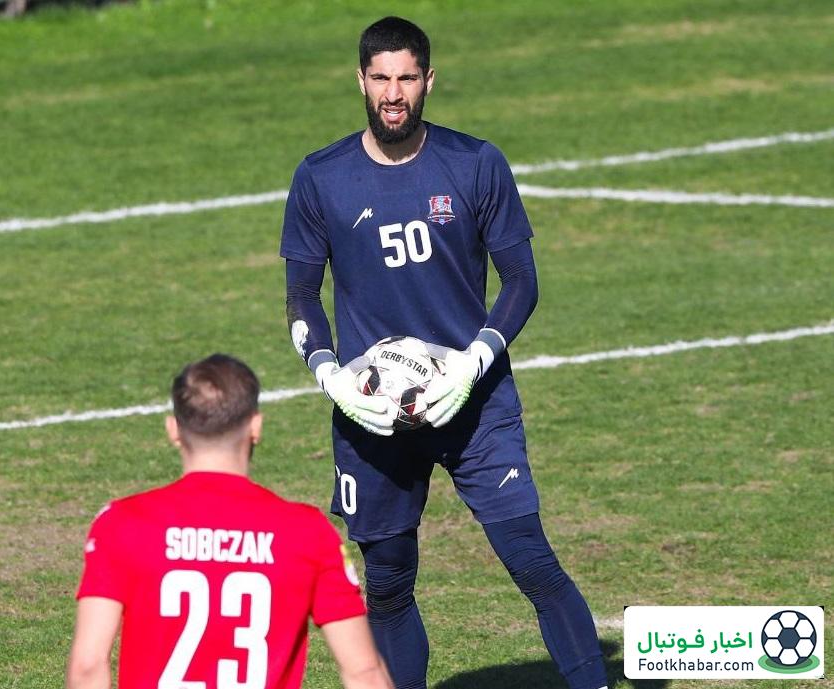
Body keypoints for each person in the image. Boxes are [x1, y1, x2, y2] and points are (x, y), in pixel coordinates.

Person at [280, 16, 608, 689]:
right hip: (374, 416)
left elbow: (521, 282)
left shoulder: (474, 163)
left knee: (530, 559)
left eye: (406, 78)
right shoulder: (320, 178)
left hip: (473, 401)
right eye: (380, 78)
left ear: (428, 80)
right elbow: (302, 297)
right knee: (389, 582)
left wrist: (472, 362)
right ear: (360, 81)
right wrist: (330, 377)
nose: (392, 93)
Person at [66, 354, 394, 689]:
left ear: (173, 429)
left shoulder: (122, 524)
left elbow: (88, 666)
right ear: (256, 427)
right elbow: (363, 671)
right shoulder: (307, 532)